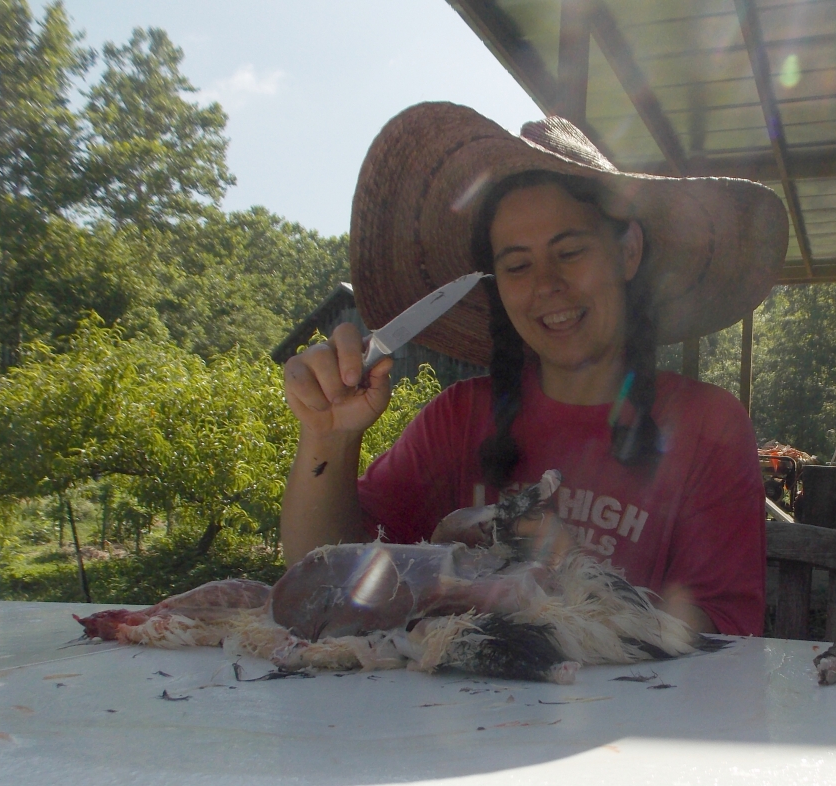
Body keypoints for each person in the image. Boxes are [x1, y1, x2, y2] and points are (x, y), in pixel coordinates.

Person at [280, 103, 789, 637]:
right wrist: (327, 439)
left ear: (629, 252)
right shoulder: (458, 419)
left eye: (570, 252)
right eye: (517, 265)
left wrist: (574, 575)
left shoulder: (707, 427)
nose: (546, 284)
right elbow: (324, 579)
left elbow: (724, 640)